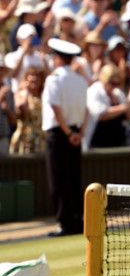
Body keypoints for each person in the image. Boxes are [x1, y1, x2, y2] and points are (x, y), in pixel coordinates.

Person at [41, 38, 88, 237]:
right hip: (75, 134)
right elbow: (86, 111)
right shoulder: (80, 80)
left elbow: (55, 107)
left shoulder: (54, 79)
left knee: (59, 180)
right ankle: (77, 221)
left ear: (58, 59)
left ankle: (66, 224)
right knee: (73, 178)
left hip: (61, 134)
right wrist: (78, 134)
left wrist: (68, 133)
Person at [84, 63, 130, 150]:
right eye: (112, 83)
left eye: (117, 83)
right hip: (98, 145)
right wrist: (122, 108)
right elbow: (100, 115)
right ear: (104, 79)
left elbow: (129, 116)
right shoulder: (94, 91)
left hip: (118, 144)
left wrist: (129, 108)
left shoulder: (118, 94)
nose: (114, 86)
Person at [9, 66, 44, 155]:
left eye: (37, 76)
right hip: (25, 138)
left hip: (41, 139)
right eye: (31, 75)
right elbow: (24, 111)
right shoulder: (20, 94)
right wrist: (26, 90)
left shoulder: (43, 96)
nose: (34, 78)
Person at [0, 55, 16, 155]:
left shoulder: (9, 92)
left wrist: (7, 109)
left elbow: (13, 121)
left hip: (3, 139)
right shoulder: (4, 92)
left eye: (2, 69)